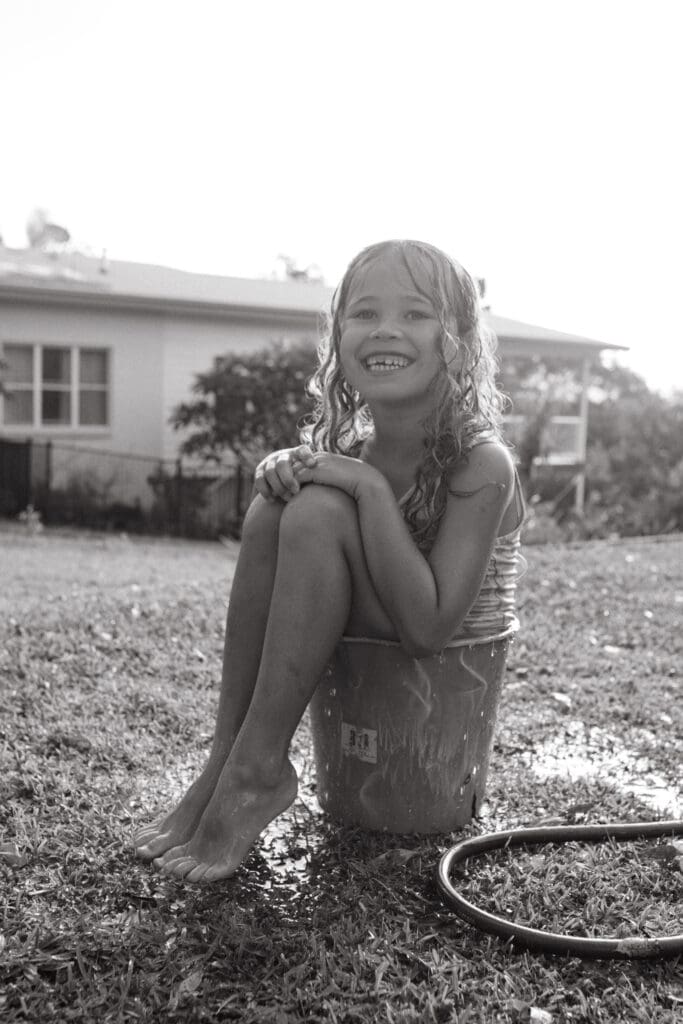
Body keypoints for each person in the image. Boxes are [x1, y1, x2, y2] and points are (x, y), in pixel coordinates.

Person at [134, 239, 525, 882]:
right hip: (368, 647)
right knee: (273, 506)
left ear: (456, 338)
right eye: (364, 313)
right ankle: (228, 762)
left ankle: (259, 769)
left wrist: (364, 487)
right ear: (338, 336)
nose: (386, 330)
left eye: (416, 314)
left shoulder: (481, 463)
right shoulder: (355, 449)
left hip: (440, 695)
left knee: (316, 509)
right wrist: (296, 471)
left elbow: (429, 630)